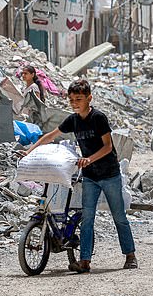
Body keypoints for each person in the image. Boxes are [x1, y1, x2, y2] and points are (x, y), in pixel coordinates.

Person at [24, 80, 137, 273]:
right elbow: (50, 136)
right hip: (90, 177)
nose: (74, 103)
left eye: (79, 99)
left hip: (109, 175)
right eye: (72, 99)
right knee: (88, 219)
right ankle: (84, 261)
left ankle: (130, 256)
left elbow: (108, 147)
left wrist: (89, 159)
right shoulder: (73, 120)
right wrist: (29, 151)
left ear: (89, 98)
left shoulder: (98, 118)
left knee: (119, 217)